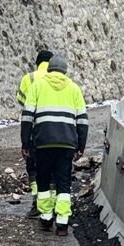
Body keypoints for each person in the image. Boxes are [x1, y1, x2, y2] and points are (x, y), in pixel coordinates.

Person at [20, 51, 88, 231]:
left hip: (42, 143)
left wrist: (25, 143)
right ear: (65, 71)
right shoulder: (74, 89)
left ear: (49, 69)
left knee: (43, 179)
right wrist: (80, 146)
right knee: (63, 180)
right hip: (67, 144)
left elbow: (27, 117)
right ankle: (63, 222)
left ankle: (46, 217)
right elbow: (82, 120)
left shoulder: (38, 86)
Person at [17, 47, 52, 211]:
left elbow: (21, 101)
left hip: (33, 130)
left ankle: (36, 200)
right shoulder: (60, 79)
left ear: (37, 64)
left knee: (33, 167)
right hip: (53, 130)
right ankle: (49, 205)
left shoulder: (28, 78)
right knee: (51, 167)